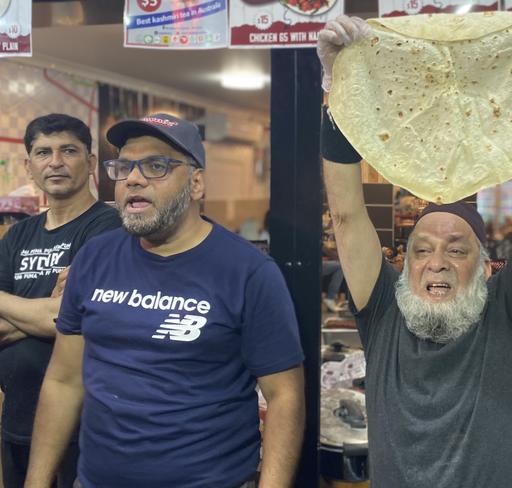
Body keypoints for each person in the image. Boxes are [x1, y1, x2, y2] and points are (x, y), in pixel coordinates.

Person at [318, 11, 512, 488]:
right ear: (404, 265)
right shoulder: (382, 314)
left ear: (486, 268)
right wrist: (339, 91)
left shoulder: (507, 314)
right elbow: (346, 215)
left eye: (457, 251)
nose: (435, 261)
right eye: (421, 250)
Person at [24, 113, 305, 488]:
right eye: (123, 167)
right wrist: (36, 482)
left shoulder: (249, 272)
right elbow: (63, 380)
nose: (133, 179)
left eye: (156, 165)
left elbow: (284, 396)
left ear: (197, 183)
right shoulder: (94, 258)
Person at [0, 114, 122, 488]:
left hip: (85, 421)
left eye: (68, 150)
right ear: (29, 166)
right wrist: (48, 310)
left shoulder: (109, 229)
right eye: (43, 152)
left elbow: (68, 318)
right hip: (18, 416)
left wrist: (46, 311)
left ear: (89, 162)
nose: (55, 161)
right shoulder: (18, 235)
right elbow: (56, 314)